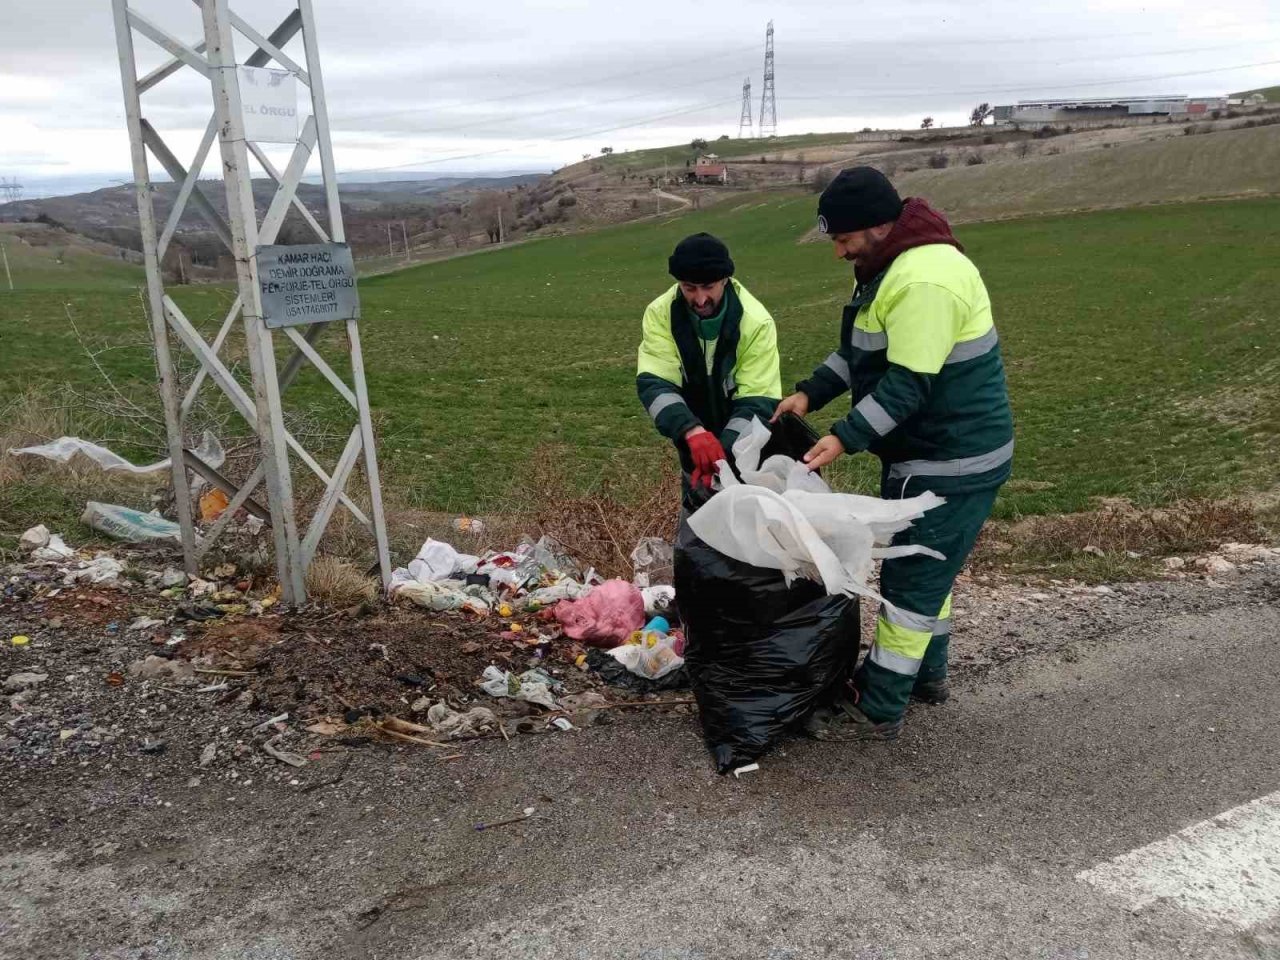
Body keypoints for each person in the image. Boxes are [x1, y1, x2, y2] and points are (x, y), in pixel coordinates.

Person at [773, 167, 1014, 741]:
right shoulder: (887, 266)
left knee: (909, 584)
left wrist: (843, 437)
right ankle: (928, 676)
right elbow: (860, 355)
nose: (838, 252)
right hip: (934, 453)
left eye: (843, 239)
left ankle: (878, 705)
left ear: (878, 226)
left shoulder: (922, 282)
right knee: (931, 568)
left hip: (949, 460)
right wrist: (810, 393)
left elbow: (909, 385)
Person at [637, 233, 782, 499]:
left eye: (708, 287)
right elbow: (655, 383)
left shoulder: (756, 321)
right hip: (692, 445)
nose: (700, 299)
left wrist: (721, 457)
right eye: (689, 288)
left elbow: (758, 400)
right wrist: (691, 431)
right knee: (696, 530)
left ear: (725, 280)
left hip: (746, 452)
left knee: (747, 529)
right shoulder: (660, 313)